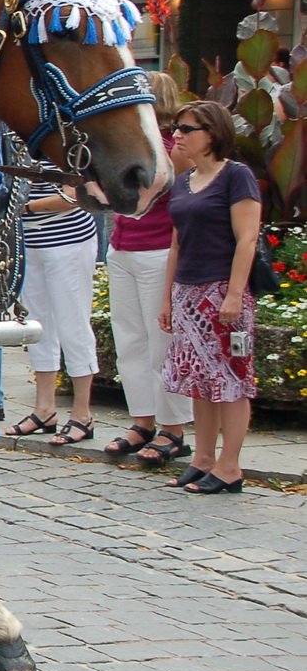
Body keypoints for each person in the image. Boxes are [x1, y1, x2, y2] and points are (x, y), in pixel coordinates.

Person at [159, 101, 260, 495]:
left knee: (232, 379)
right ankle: (203, 458)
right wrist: (168, 297)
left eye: (187, 128)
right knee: (199, 381)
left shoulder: (237, 176)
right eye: (177, 127)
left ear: (212, 134)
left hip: (221, 290)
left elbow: (247, 238)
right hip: (188, 291)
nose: (178, 134)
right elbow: (175, 245)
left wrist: (234, 295)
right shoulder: (183, 182)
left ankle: (230, 465)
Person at [104, 72, 191, 463]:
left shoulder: (171, 147)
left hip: (156, 248)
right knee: (130, 341)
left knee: (162, 344)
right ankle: (143, 419)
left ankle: (173, 428)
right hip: (123, 247)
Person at [5, 178, 100, 444]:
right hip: (30, 242)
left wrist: (21, 208)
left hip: (68, 240)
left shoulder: (70, 139)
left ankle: (83, 413)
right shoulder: (16, 140)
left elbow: (72, 197)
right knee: (36, 327)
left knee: (73, 324)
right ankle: (44, 408)